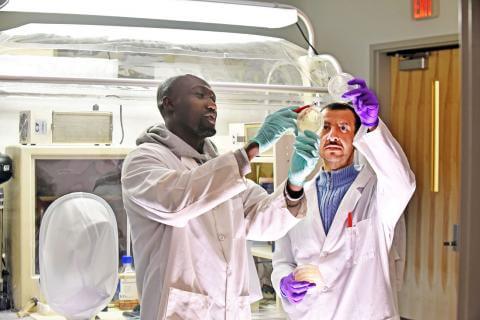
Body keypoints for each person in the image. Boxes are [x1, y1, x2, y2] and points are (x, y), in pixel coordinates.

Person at [121, 74, 320, 320]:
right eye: (200, 95)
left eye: (214, 98)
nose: (211, 104)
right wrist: (253, 148)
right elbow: (177, 202)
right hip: (179, 312)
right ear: (168, 103)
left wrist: (295, 182)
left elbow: (264, 223)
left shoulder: (220, 169)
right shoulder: (144, 160)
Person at [271, 78, 416, 320]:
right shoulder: (296, 194)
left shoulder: (376, 191)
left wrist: (373, 126)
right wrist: (283, 283)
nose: (333, 135)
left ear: (356, 141)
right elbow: (282, 259)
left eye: (344, 128)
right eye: (326, 127)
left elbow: (403, 183)